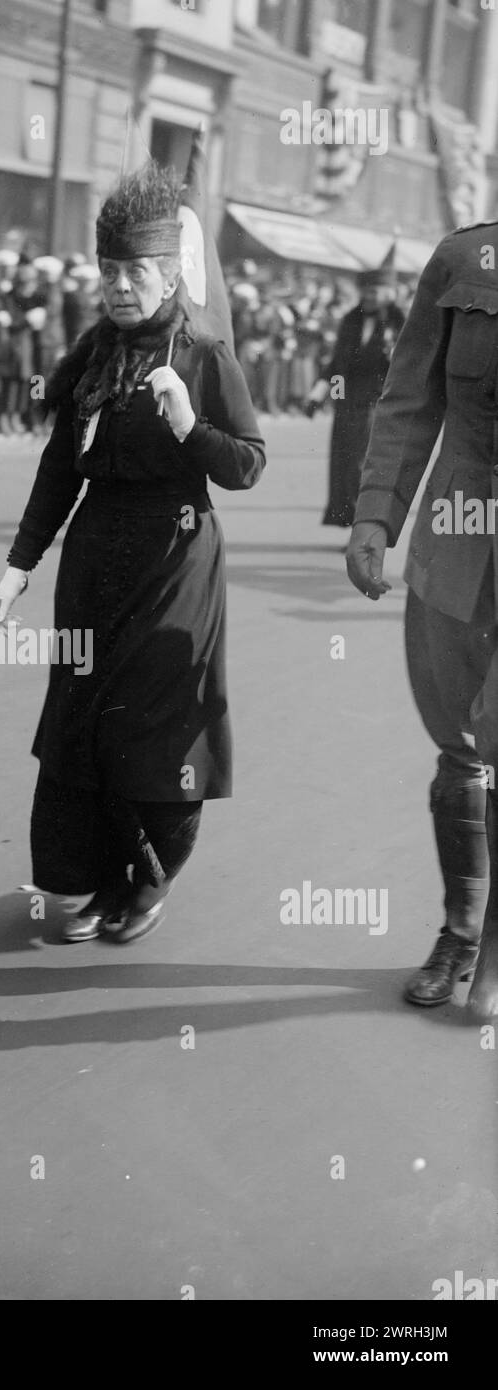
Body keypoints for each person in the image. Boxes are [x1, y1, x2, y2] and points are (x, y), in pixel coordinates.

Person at [0, 161, 266, 944]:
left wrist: (187, 424)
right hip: (91, 563)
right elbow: (57, 470)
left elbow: (245, 463)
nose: (116, 285)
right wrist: (21, 560)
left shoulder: (204, 356)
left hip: (174, 565)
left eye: (133, 271)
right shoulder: (92, 356)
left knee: (148, 730)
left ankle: (144, 882)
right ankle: (80, 880)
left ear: (166, 271)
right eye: (107, 269)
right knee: (79, 719)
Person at [345, 217, 498, 1019]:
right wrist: (376, 514)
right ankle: (459, 931)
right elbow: (410, 395)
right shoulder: (463, 259)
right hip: (459, 540)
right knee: (459, 745)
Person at [311, 258, 405, 528]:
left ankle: (364, 524)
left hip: (377, 403)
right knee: (344, 463)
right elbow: (337, 363)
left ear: (390, 292)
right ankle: (351, 520)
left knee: (360, 464)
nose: (369, 297)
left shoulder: (401, 322)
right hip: (347, 401)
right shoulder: (352, 319)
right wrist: (319, 394)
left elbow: (410, 364)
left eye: (375, 291)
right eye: (366, 291)